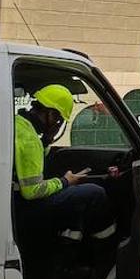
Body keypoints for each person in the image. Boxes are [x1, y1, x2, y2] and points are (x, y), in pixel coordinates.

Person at [14, 84, 115, 249]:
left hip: (17, 203)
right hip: (25, 209)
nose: (58, 124)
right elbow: (32, 191)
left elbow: (31, 163)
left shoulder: (20, 125)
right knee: (95, 193)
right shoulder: (29, 139)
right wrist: (65, 181)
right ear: (51, 114)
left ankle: (69, 240)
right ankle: (105, 249)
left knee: (74, 194)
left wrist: (47, 139)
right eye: (59, 120)